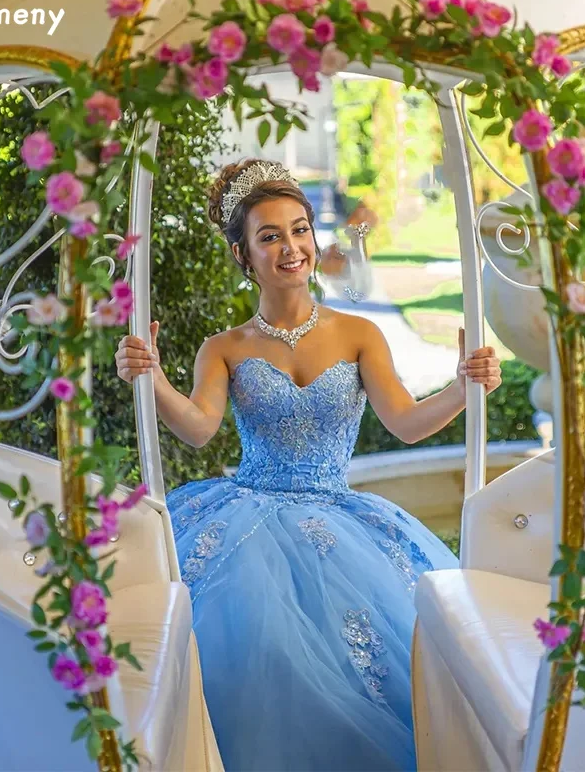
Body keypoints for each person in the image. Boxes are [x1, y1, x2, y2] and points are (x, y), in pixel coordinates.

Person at [115, 159, 502, 771]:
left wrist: (461, 387)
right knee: (261, 656)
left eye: (299, 230)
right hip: (247, 517)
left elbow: (404, 423)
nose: (290, 247)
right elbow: (198, 428)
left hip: (341, 517)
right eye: (269, 236)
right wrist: (152, 376)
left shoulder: (359, 334)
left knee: (396, 659)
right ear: (244, 255)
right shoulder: (225, 348)